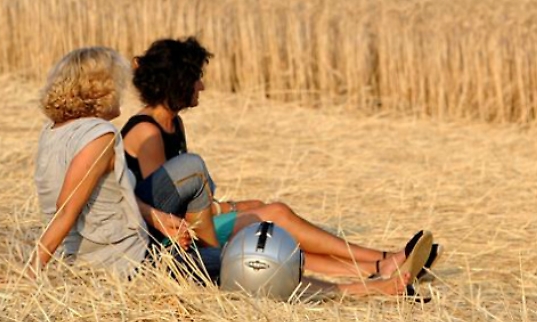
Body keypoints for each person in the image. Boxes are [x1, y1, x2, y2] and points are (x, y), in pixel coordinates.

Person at [32, 46, 417, 298]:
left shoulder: (56, 132)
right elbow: (68, 209)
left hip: (120, 248)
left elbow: (114, 194)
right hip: (128, 263)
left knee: (244, 224)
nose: (122, 90)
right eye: (115, 84)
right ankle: (374, 288)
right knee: (256, 265)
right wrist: (32, 271)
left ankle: (378, 275)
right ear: (99, 89)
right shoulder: (101, 135)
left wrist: (157, 215)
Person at [123, 37, 436, 286]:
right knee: (271, 224)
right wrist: (234, 207)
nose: (201, 86)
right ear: (179, 83)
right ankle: (378, 264)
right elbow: (167, 212)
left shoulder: (172, 124)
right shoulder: (147, 132)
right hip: (169, 242)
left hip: (189, 224)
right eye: (196, 78)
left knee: (274, 216)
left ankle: (378, 265)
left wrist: (234, 206)